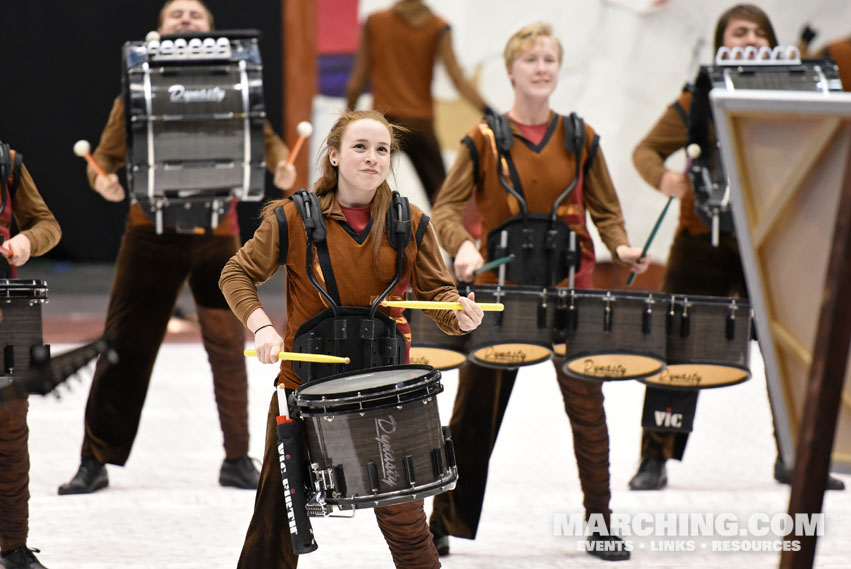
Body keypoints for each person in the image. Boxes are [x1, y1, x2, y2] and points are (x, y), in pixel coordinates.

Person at [219, 109, 483, 568]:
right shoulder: (291, 219)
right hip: (304, 389)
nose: (372, 158)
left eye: (382, 150)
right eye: (360, 147)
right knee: (277, 518)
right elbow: (235, 272)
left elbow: (438, 296)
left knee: (407, 524)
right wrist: (261, 324)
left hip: (388, 392)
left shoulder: (411, 222)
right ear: (335, 156)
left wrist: (459, 315)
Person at [427, 22, 649, 561]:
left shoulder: (580, 136)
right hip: (499, 292)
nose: (542, 67)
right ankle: (441, 522)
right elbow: (445, 209)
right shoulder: (484, 138)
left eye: (549, 58)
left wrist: (619, 246)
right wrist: (460, 246)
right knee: (473, 411)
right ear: (511, 72)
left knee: (588, 409)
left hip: (570, 289)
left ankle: (601, 522)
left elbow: (607, 210)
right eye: (530, 59)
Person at [57, 0, 295, 496]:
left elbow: (267, 139)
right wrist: (102, 182)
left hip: (218, 238)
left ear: (212, 32)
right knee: (123, 346)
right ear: (158, 31)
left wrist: (281, 166)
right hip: (150, 234)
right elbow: (101, 159)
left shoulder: (236, 87)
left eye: (195, 14)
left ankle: (236, 457)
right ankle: (94, 458)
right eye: (175, 14)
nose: (185, 19)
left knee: (229, 350)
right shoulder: (137, 92)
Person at [629, 3, 844, 492]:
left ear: (771, 43)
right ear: (722, 43)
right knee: (675, 347)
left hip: (772, 241)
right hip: (702, 238)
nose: (747, 39)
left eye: (756, 32)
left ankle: (797, 456)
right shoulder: (697, 94)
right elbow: (645, 150)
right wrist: (664, 177)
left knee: (789, 349)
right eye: (736, 32)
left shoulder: (796, 94)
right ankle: (654, 457)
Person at [345, 0, 488, 204]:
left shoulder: (376, 22)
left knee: (359, 194)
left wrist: (346, 119)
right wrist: (487, 109)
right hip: (420, 124)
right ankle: (447, 237)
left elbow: (357, 81)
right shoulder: (438, 27)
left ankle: (350, 234)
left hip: (384, 122)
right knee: (444, 201)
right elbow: (457, 78)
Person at [0, 143, 62, 569]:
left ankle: (12, 545)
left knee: (10, 433)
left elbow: (47, 225)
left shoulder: (7, 162)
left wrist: (26, 239)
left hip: (6, 306)